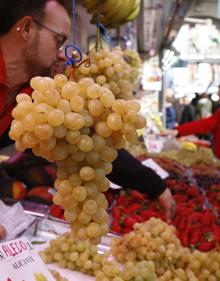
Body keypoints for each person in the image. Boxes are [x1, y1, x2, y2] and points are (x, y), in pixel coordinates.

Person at [0, 0, 176, 221]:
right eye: (59, 40)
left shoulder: (34, 96)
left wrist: (154, 185)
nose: (63, 54)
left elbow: (89, 142)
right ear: (26, 28)